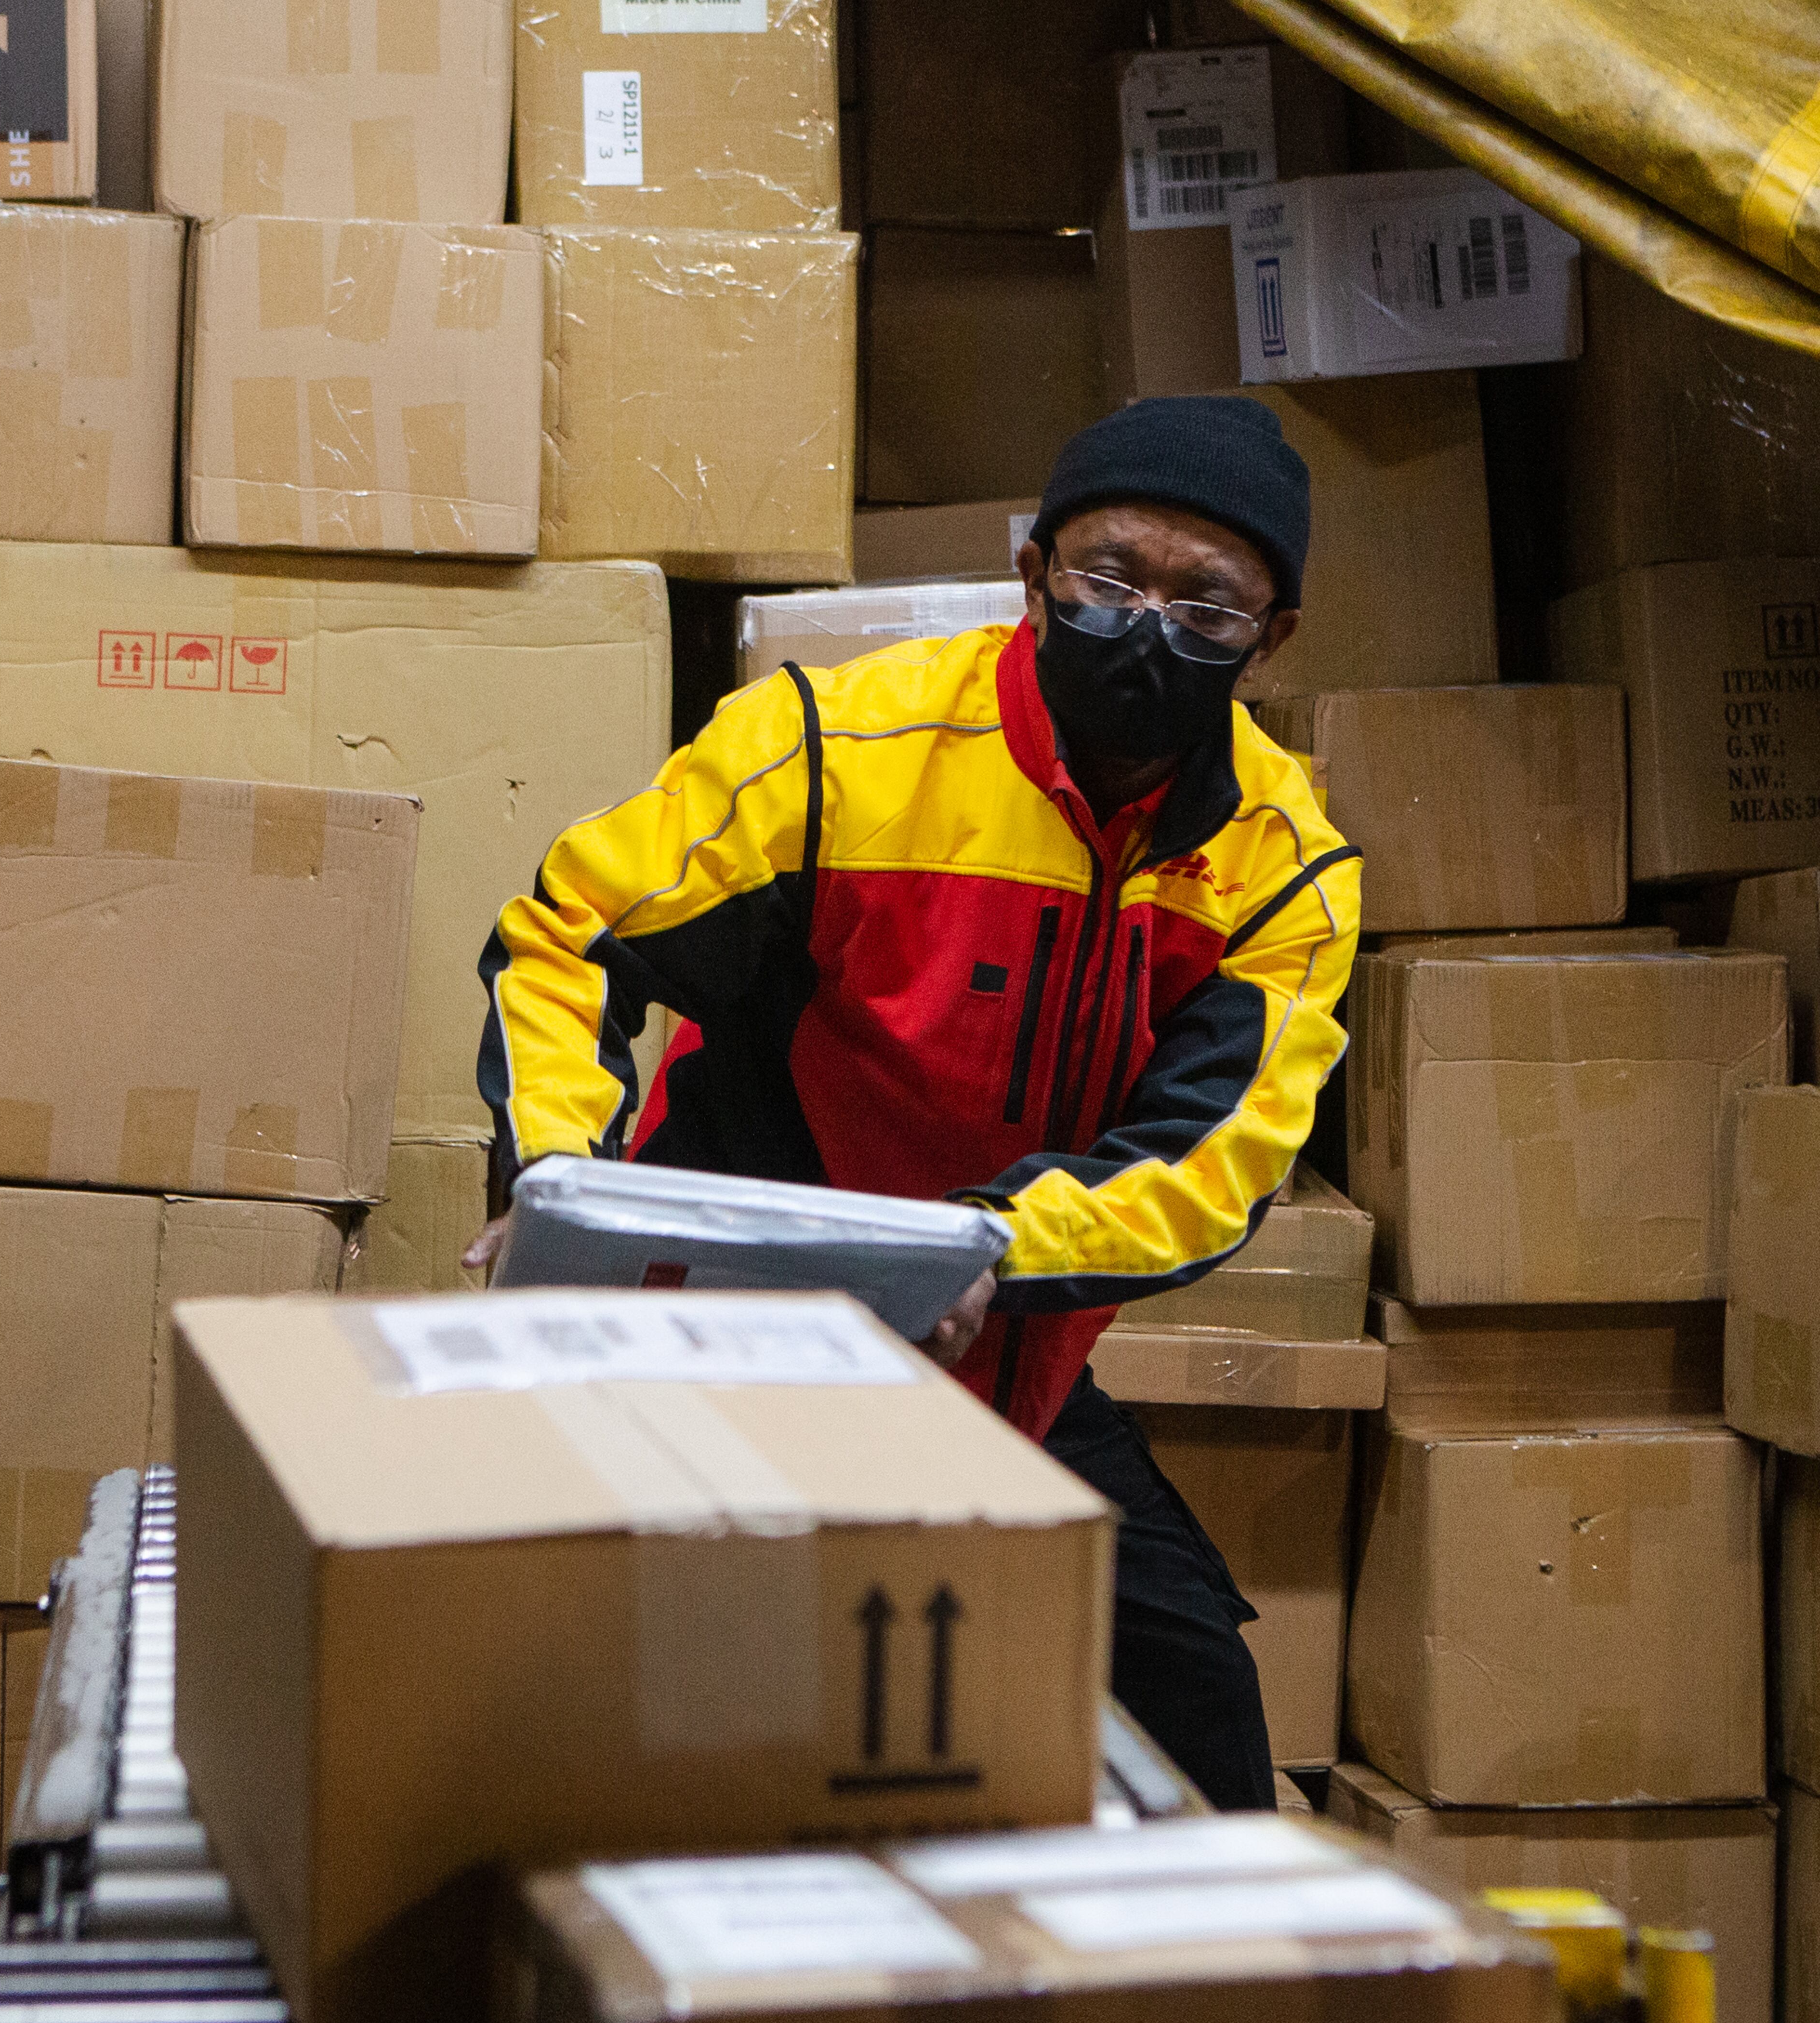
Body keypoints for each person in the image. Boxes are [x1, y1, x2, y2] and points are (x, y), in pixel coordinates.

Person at [468, 397, 1361, 1808]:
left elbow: (1214, 1160)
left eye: (1207, 607)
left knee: (1201, 1736)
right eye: (1111, 579)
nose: (1145, 629)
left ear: (1275, 636)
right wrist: (562, 1182)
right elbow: (571, 932)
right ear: (1034, 571)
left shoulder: (1282, 869)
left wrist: (987, 1250)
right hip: (735, 1328)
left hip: (1000, 1352)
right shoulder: (842, 749)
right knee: (685, 1737)